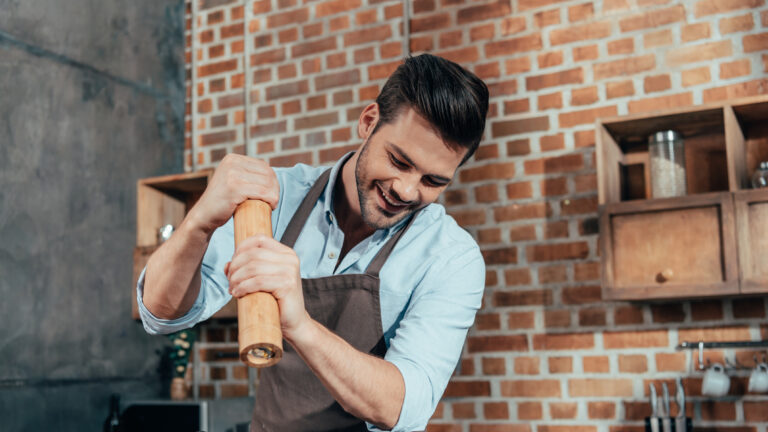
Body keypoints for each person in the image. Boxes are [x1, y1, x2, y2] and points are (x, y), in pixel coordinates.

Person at [137, 53, 489, 432]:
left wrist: (299, 324)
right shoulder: (275, 198)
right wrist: (199, 223)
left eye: (432, 182)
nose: (405, 189)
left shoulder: (451, 258)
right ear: (368, 122)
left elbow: (403, 407)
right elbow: (160, 315)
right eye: (399, 161)